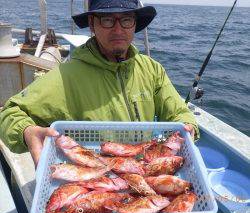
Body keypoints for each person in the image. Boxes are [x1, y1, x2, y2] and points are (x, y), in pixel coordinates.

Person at [0, 0, 199, 166]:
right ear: (92, 24)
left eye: (127, 19)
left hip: (144, 171)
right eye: (107, 20)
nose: (118, 29)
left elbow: (179, 114)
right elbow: (10, 112)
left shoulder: (152, 69)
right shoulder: (66, 76)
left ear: (135, 24)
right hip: (93, 177)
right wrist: (27, 132)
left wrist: (188, 127)